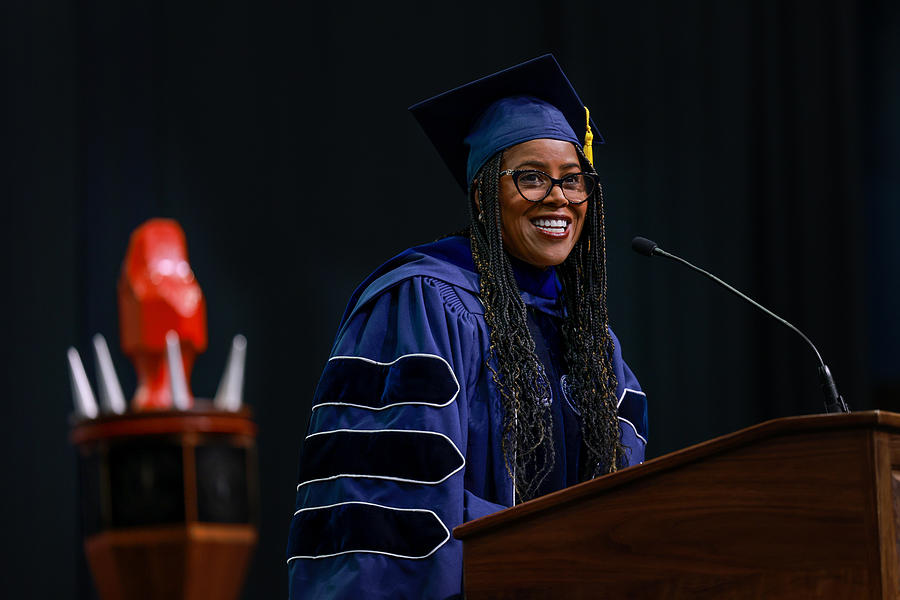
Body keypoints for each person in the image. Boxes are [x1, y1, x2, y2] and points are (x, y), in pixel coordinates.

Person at [286, 55, 647, 599]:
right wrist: (548, 548)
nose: (559, 198)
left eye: (574, 181)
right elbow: (395, 499)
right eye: (530, 177)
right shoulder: (423, 302)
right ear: (482, 195)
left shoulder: (595, 343)